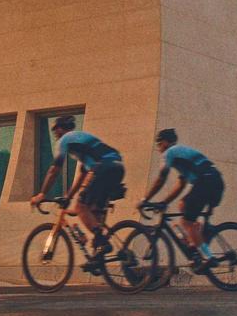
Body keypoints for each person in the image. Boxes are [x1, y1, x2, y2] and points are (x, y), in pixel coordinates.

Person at [30, 115, 124, 256]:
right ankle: (101, 253)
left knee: (80, 207)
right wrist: (68, 196)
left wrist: (42, 194)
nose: (55, 134)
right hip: (117, 167)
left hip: (103, 168)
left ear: (61, 129)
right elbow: (82, 174)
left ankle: (103, 243)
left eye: (56, 130)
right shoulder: (81, 140)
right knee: (92, 211)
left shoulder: (66, 140)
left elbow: (54, 170)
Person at [139, 128, 224, 271]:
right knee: (183, 205)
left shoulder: (170, 153)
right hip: (215, 181)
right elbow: (181, 184)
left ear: (165, 143)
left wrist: (145, 199)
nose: (158, 149)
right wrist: (164, 202)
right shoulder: (182, 155)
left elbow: (161, 179)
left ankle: (208, 257)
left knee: (186, 221)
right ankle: (195, 245)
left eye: (158, 145)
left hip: (205, 181)